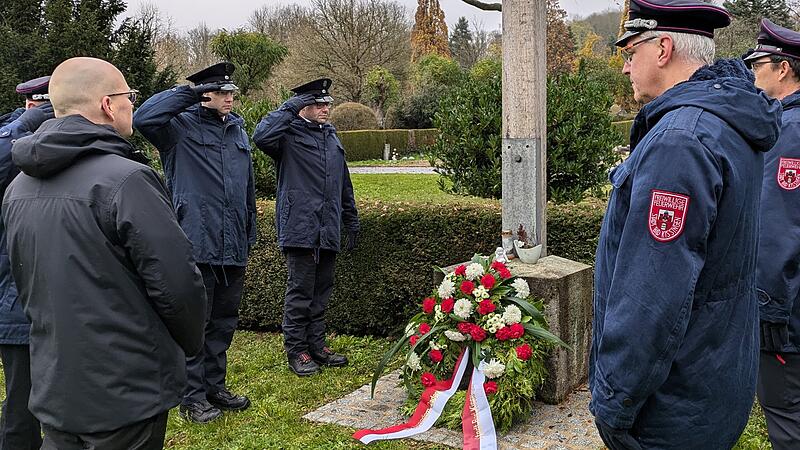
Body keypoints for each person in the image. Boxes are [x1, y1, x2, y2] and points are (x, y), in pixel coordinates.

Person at [590, 1, 783, 448]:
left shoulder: (681, 141)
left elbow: (652, 296)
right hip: (712, 380)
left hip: (670, 407)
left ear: (663, 49)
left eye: (629, 52)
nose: (624, 68)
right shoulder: (725, 118)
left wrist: (614, 402)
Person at [1, 57, 207, 450]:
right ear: (108, 105)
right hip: (126, 390)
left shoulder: (18, 188)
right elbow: (178, 284)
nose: (132, 104)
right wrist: (188, 345)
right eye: (129, 97)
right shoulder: (128, 180)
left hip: (53, 384)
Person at [133, 61, 255, 423]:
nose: (230, 98)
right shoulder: (178, 129)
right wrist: (187, 94)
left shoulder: (236, 129)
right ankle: (192, 396)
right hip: (195, 241)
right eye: (223, 92)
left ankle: (215, 386)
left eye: (232, 92)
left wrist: (249, 231)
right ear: (205, 95)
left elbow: (245, 186)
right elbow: (143, 119)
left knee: (223, 321)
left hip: (232, 242)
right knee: (195, 324)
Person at [252, 78, 359, 377]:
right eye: (317, 103)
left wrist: (350, 218)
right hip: (300, 227)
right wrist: (292, 106)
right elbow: (260, 136)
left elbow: (343, 182)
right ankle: (297, 349)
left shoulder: (331, 136)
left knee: (321, 290)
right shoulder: (286, 135)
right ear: (303, 105)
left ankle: (316, 344)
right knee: (300, 292)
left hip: (327, 227)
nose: (325, 108)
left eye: (327, 103)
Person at [744, 18, 800, 450]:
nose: (752, 72)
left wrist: (769, 313)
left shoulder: (788, 132)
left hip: (789, 319)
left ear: (783, 68)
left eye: (758, 63)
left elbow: (778, 231)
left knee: (785, 417)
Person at [0, 75, 52, 450]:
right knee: (22, 404)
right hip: (14, 295)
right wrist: (26, 123)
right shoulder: (11, 136)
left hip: (56, 295)